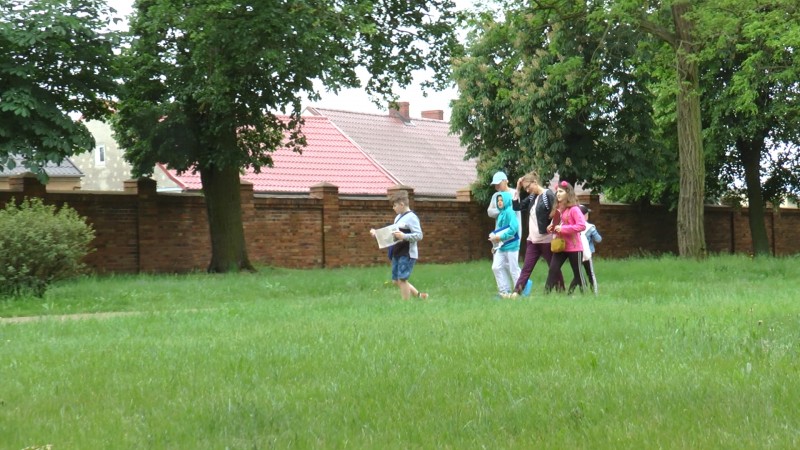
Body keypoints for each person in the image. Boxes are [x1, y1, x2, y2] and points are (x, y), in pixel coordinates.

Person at [511, 172, 563, 296]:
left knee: (553, 268)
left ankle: (561, 292)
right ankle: (515, 293)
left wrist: (553, 226)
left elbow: (558, 213)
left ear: (535, 182)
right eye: (526, 189)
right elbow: (516, 207)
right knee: (526, 269)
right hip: (532, 240)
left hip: (546, 240)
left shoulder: (548, 195)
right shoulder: (532, 197)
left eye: (529, 187)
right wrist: (518, 188)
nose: (528, 190)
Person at [370, 192, 428, 300]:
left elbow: (419, 235)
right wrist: (377, 234)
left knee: (402, 279)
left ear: (402, 204)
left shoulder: (412, 217)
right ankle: (420, 296)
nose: (393, 208)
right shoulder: (397, 218)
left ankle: (405, 304)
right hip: (397, 251)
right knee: (396, 280)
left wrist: (404, 236)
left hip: (407, 253)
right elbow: (392, 233)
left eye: (395, 205)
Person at [545, 181, 587, 294]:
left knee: (578, 274)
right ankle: (544, 297)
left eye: (561, 191)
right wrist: (551, 227)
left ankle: (587, 296)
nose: (558, 194)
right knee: (552, 270)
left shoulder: (574, 209)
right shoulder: (558, 209)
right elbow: (557, 225)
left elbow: (582, 225)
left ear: (567, 193)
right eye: (557, 191)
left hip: (574, 247)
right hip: (561, 246)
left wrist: (563, 229)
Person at [489, 191, 521, 298]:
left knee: (513, 268)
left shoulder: (510, 212)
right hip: (502, 247)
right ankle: (504, 291)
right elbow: (499, 231)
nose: (499, 202)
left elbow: (514, 228)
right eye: (498, 201)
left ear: (507, 200)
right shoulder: (501, 214)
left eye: (501, 200)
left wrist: (500, 237)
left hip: (512, 246)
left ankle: (519, 291)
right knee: (496, 267)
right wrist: (495, 246)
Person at [579, 204, 602, 294]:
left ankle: (582, 291)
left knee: (579, 274)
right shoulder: (590, 227)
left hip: (576, 253)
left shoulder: (574, 226)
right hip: (587, 254)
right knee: (590, 273)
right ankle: (594, 292)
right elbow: (598, 239)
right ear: (584, 215)